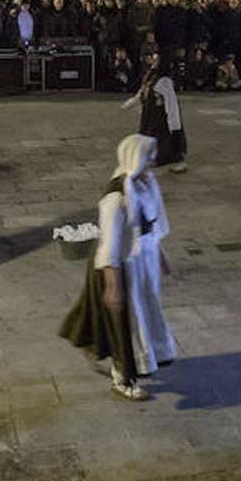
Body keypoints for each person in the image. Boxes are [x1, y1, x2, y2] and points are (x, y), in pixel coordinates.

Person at [59, 134, 175, 401]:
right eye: (149, 158)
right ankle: (123, 379)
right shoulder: (116, 197)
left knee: (143, 318)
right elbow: (110, 246)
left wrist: (160, 256)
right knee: (124, 324)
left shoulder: (146, 185)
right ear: (136, 159)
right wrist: (113, 286)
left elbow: (152, 225)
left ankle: (141, 362)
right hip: (120, 267)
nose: (154, 163)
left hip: (142, 264)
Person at [123, 51, 188, 173]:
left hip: (161, 117)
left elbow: (171, 102)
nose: (153, 59)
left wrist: (174, 124)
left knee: (163, 140)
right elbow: (142, 92)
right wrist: (129, 104)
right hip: (150, 114)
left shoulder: (164, 81)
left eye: (156, 58)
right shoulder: (150, 75)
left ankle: (177, 160)